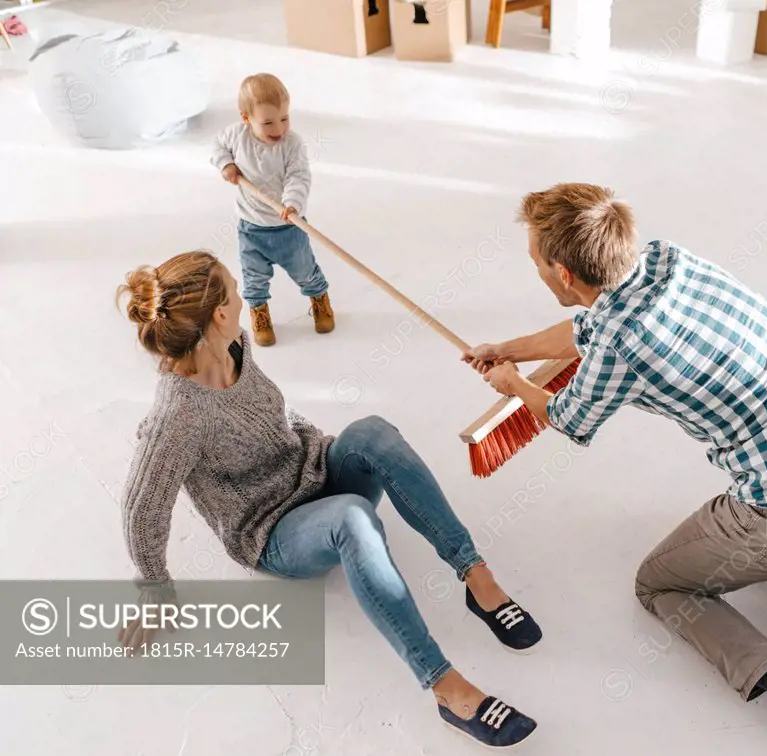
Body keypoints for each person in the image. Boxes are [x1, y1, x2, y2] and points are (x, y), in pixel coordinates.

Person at [463, 183, 767, 756]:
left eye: (537, 263)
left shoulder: (619, 344)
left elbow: (567, 417)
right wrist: (510, 350)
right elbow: (586, 329)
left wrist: (512, 385)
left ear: (564, 274)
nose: (536, 273)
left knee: (661, 583)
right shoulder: (669, 260)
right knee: (765, 510)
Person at [115, 250, 540, 750]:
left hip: (312, 471)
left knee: (372, 433)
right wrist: (156, 595)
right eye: (234, 290)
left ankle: (475, 576)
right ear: (220, 314)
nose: (242, 298)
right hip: (273, 530)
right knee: (352, 518)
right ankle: (445, 687)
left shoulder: (234, 349)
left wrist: (321, 446)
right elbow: (140, 510)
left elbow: (272, 411)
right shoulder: (178, 417)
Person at [211, 72, 334, 346]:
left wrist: (292, 203)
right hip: (251, 227)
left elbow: (298, 176)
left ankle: (319, 298)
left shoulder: (291, 145)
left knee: (304, 270)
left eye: (284, 118)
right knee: (253, 277)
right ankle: (259, 312)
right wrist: (226, 165)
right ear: (246, 118)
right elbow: (218, 146)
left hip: (288, 226)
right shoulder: (236, 135)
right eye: (267, 122)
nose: (278, 128)